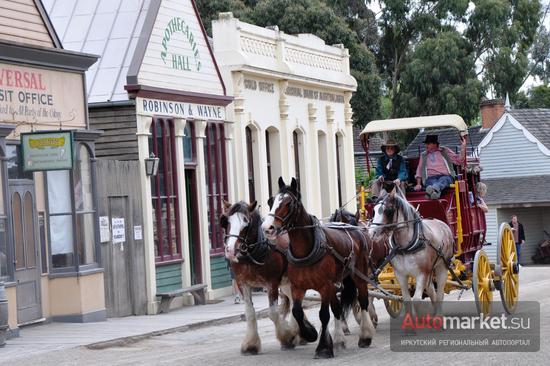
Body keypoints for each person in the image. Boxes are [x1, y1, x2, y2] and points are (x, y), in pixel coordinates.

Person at [414, 134, 466, 199]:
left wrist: (463, 147)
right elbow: (419, 169)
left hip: (445, 176)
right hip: (431, 178)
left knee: (443, 180)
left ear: (435, 144)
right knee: (431, 182)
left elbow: (459, 160)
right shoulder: (423, 155)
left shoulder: (444, 151)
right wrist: (418, 184)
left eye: (428, 143)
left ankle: (431, 191)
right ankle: (435, 193)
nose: (426, 145)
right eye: (426, 143)